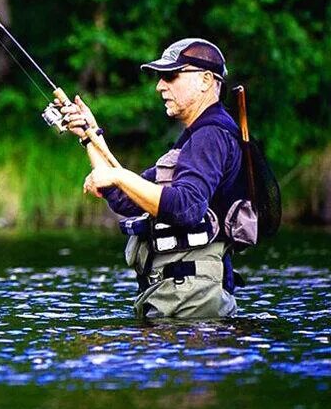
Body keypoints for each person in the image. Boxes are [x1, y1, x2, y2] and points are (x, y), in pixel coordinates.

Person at [60, 38, 248, 319]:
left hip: (192, 306)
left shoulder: (211, 136)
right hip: (179, 300)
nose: (160, 86)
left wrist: (119, 176)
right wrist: (91, 135)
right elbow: (126, 199)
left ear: (206, 80)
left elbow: (187, 207)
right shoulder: (193, 139)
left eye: (171, 76)